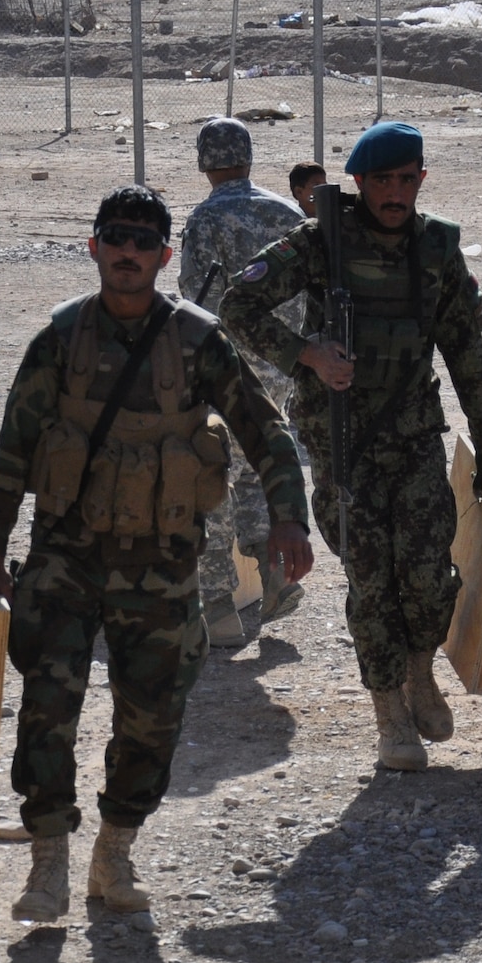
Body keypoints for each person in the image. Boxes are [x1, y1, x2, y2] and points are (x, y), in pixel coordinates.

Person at [0, 186, 313, 923]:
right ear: (94, 246)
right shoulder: (60, 338)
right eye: (115, 237)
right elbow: (15, 446)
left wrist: (289, 516)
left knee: (151, 715)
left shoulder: (196, 340)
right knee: (47, 708)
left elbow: (265, 427)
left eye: (142, 241)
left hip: (160, 563)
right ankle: (48, 861)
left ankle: (115, 850)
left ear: (163, 256)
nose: (127, 251)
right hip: (66, 554)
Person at [223, 122, 482, 773]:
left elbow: (467, 348)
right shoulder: (323, 242)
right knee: (372, 581)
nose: (396, 193)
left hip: (413, 435)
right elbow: (240, 303)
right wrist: (307, 355)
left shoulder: (435, 248)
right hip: (342, 439)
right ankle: (389, 716)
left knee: (431, 574)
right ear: (360, 183)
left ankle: (419, 670)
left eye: (408, 180)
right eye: (383, 181)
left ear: (421, 181)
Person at [176, 117, 308, 645]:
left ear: (205, 161)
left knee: (211, 479)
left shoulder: (206, 219)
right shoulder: (288, 211)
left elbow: (193, 297)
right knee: (258, 469)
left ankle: (218, 606)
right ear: (249, 156)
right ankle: (274, 573)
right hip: (281, 366)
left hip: (225, 370)